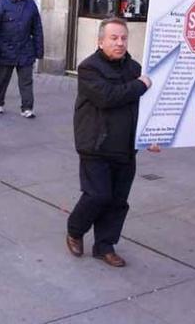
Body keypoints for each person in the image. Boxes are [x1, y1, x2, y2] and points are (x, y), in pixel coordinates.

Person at [66, 17, 155, 267]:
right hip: (96, 144)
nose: (119, 43)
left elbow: (144, 108)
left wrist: (151, 136)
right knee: (97, 195)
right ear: (100, 41)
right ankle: (75, 229)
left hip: (125, 147)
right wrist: (140, 85)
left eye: (124, 38)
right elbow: (107, 97)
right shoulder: (88, 68)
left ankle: (105, 246)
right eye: (114, 38)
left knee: (118, 201)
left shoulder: (135, 68)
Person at [0, 0, 44, 118]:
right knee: (1, 80)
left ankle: (27, 108)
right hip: (4, 48)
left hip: (25, 50)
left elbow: (37, 28)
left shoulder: (30, 4)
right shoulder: (2, 2)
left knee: (26, 82)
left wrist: (39, 50)